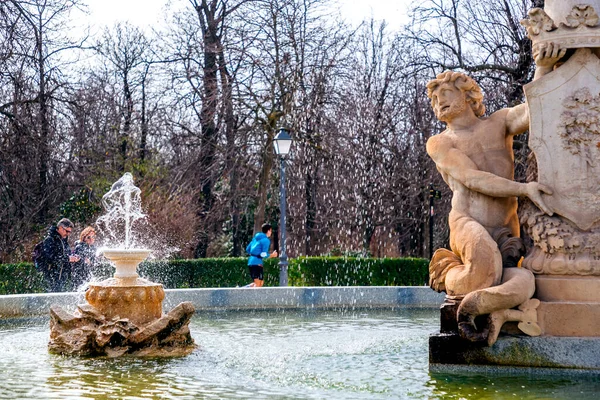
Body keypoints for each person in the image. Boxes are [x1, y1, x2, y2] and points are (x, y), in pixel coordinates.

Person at [425, 43, 565, 345]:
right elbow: (472, 178)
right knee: (485, 267)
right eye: (434, 99)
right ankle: (451, 274)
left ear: (468, 95)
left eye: (445, 94)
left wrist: (542, 65)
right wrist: (523, 189)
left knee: (524, 281)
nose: (438, 102)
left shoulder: (499, 122)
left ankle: (497, 312)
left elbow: (532, 112)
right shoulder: (439, 142)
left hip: (505, 232)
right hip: (467, 223)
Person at [38, 218, 80, 292]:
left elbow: (66, 255)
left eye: (70, 232)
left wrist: (73, 257)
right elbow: (51, 258)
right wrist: (68, 258)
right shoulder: (50, 240)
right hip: (52, 277)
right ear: (60, 228)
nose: (68, 234)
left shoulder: (63, 240)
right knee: (53, 299)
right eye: (67, 231)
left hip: (62, 276)